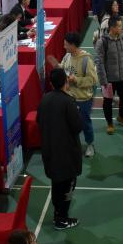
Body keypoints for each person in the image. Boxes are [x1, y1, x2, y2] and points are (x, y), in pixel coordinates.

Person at [37, 68, 83, 230]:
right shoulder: (68, 102)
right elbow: (77, 127)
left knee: (56, 185)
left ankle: (58, 214)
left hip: (49, 151)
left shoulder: (44, 99)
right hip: (66, 154)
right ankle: (62, 218)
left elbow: (38, 121)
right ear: (66, 81)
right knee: (67, 186)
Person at [61, 32, 99, 158]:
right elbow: (63, 68)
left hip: (83, 99)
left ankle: (90, 144)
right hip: (69, 98)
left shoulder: (86, 60)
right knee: (68, 123)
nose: (64, 46)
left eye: (66, 44)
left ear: (73, 45)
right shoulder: (67, 56)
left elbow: (93, 80)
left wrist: (76, 80)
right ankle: (72, 144)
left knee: (84, 123)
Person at [94, 16, 123, 134]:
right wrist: (103, 81)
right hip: (108, 80)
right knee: (107, 102)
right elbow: (99, 62)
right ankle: (109, 123)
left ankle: (121, 117)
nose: (122, 28)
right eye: (119, 26)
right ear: (112, 28)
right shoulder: (102, 42)